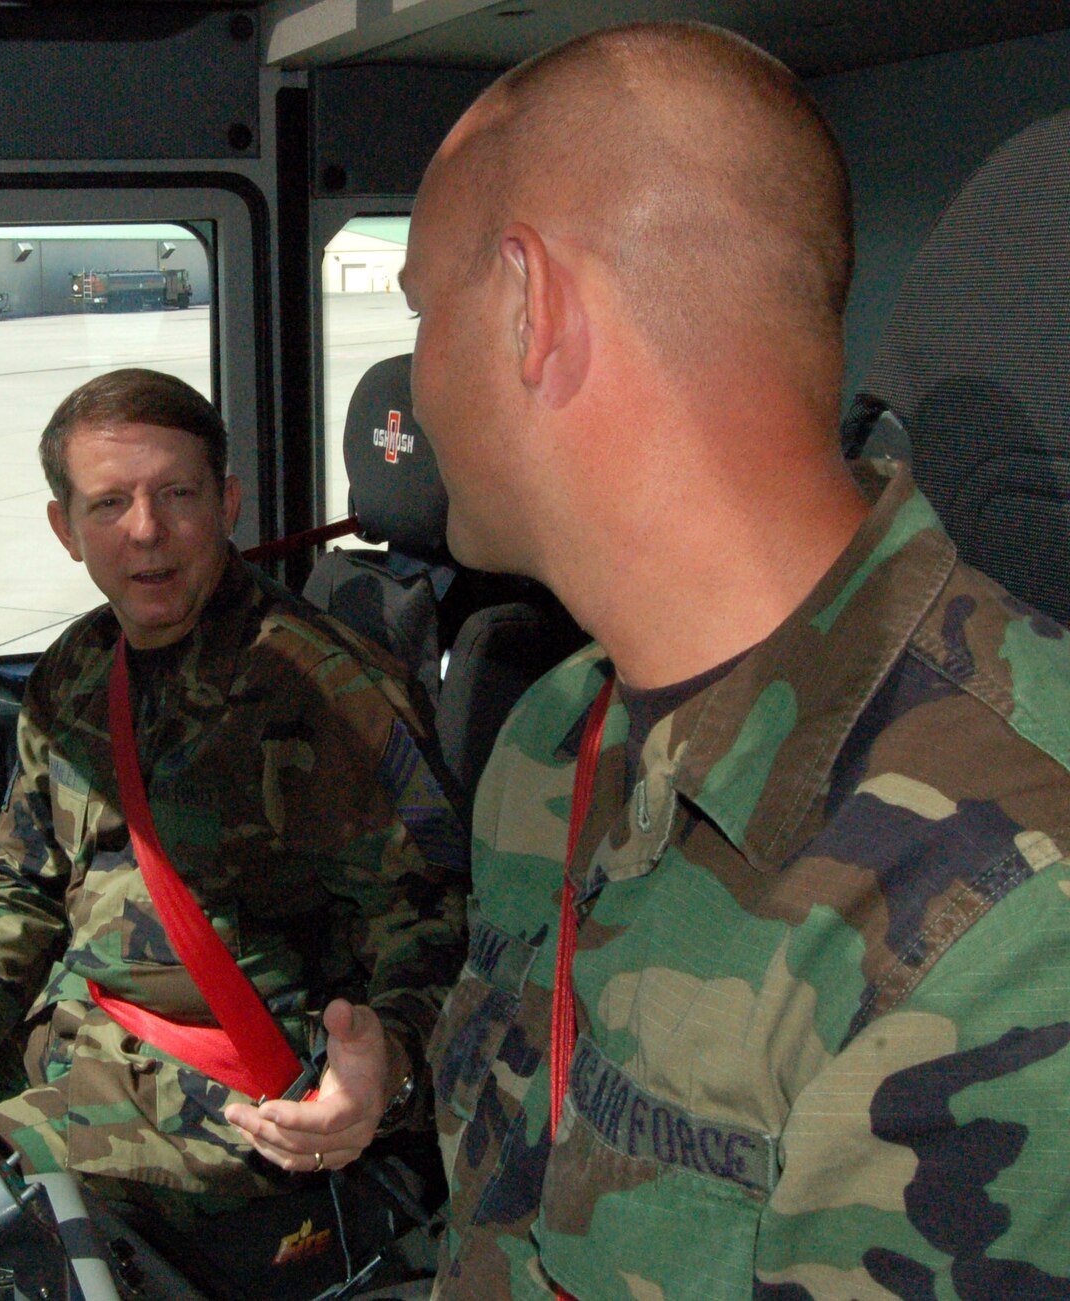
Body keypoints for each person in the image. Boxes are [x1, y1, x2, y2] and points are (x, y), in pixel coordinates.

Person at [402, 20, 1070, 1298]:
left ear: (530, 305)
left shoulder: (1003, 906)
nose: (412, 384)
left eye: (428, 307)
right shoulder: (550, 737)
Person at [0, 368, 465, 1226]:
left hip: (207, 1090)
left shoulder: (329, 691)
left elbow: (439, 928)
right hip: (69, 1017)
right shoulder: (81, 668)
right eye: (109, 504)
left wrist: (388, 1073)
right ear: (65, 529)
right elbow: (17, 875)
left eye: (176, 493)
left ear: (227, 503)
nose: (146, 532)